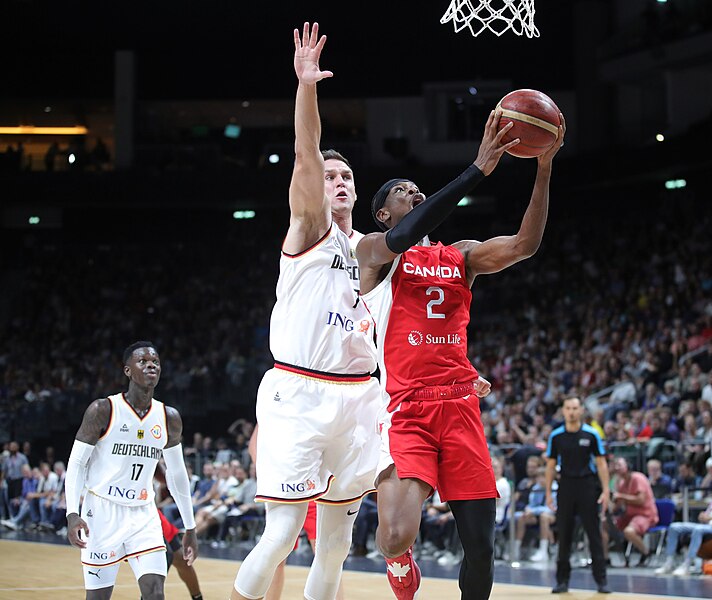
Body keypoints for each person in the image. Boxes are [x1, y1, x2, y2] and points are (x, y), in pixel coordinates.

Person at [357, 106, 564, 600]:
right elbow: (405, 236)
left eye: (417, 190)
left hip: (460, 408)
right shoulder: (372, 253)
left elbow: (524, 245)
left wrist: (544, 166)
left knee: (481, 547)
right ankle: (402, 562)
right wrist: (478, 168)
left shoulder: (462, 254)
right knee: (393, 536)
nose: (415, 193)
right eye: (403, 192)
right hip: (408, 407)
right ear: (384, 213)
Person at [230, 25, 380, 600]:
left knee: (338, 542)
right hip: (299, 390)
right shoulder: (308, 229)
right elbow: (305, 151)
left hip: (359, 394)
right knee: (283, 532)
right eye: (330, 176)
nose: (337, 181)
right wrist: (306, 88)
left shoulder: (370, 251)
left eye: (347, 177)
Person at [64, 341, 198, 600]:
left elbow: (177, 474)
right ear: (127, 371)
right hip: (101, 512)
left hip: (143, 515)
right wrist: (72, 513)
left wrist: (190, 527)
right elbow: (76, 464)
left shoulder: (169, 417)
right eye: (143, 361)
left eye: (155, 362)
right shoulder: (102, 410)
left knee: (155, 593)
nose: (151, 365)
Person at [545, 396, 611, 594]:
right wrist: (548, 492)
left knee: (593, 533)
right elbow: (550, 465)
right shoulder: (556, 436)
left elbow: (601, 463)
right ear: (563, 411)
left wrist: (606, 490)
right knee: (564, 534)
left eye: (575, 408)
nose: (572, 411)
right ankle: (562, 581)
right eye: (568, 408)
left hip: (587, 487)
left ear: (581, 410)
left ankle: (601, 581)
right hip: (565, 487)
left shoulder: (591, 434)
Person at [603, 457, 659, 566]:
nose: (616, 468)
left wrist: (622, 497)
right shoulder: (621, 483)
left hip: (645, 515)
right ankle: (605, 558)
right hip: (629, 516)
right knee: (604, 525)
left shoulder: (638, 478)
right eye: (615, 465)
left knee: (629, 531)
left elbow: (641, 500)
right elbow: (615, 507)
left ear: (628, 466)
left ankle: (646, 553)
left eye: (619, 465)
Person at [655, 498, 712, 576]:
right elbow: (707, 514)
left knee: (698, 529)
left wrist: (709, 518)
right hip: (705, 525)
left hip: (708, 527)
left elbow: (709, 518)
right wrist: (703, 515)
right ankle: (669, 563)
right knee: (674, 527)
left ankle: (687, 566)